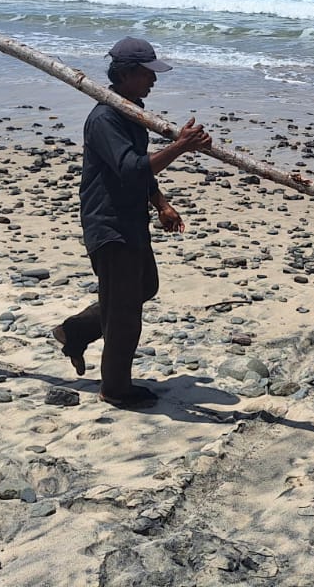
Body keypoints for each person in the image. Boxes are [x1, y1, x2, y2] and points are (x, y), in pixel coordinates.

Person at [51, 37, 211, 408]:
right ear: (124, 75)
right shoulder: (105, 118)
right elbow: (129, 168)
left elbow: (140, 172)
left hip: (130, 218)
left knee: (144, 287)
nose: (152, 81)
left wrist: (162, 204)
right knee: (124, 311)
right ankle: (115, 387)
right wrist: (180, 147)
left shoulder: (131, 112)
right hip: (108, 222)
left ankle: (74, 331)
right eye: (145, 74)